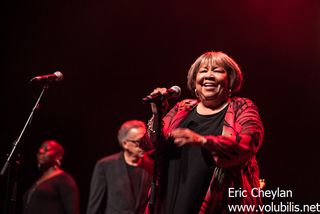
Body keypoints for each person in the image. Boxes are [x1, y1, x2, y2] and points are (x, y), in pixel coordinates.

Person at [145, 51, 264, 213]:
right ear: (194, 82)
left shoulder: (242, 107)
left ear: (231, 80)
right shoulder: (182, 107)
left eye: (217, 70)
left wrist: (203, 141)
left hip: (220, 203)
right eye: (203, 71)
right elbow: (151, 144)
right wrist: (157, 114)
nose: (209, 75)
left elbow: (248, 143)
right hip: (173, 200)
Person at [87, 120, 153, 214]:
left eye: (145, 140)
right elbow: (95, 206)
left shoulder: (152, 165)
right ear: (125, 143)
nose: (144, 145)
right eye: (139, 142)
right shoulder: (105, 166)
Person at [23, 140, 80, 214]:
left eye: (46, 149)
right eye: (40, 149)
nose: (41, 151)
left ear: (58, 156)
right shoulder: (38, 181)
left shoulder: (64, 179)